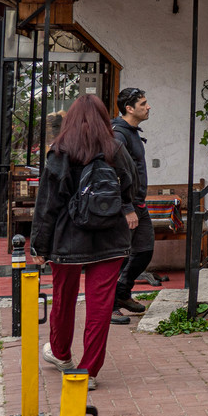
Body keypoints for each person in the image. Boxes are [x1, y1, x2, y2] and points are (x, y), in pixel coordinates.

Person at [31, 94, 139, 392]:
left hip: (68, 239)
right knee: (100, 306)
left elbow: (48, 203)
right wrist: (126, 208)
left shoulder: (61, 151)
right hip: (110, 237)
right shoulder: (116, 148)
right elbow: (132, 184)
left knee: (63, 299)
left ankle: (62, 355)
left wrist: (39, 245)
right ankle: (88, 371)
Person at [110, 87, 155, 325]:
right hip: (125, 207)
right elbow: (117, 174)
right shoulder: (118, 134)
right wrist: (126, 207)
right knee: (119, 256)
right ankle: (110, 305)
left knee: (144, 250)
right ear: (129, 108)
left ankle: (123, 293)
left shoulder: (132, 132)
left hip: (138, 203)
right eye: (143, 104)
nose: (148, 107)